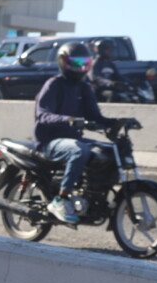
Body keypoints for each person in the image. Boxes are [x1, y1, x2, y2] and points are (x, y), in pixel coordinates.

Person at [34, 42, 119, 224]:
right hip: (49, 141)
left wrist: (118, 121)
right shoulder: (53, 85)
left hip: (72, 139)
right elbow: (43, 115)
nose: (79, 68)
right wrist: (68, 119)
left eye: (84, 64)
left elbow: (96, 117)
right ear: (63, 62)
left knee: (110, 152)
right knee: (79, 150)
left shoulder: (84, 87)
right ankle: (61, 199)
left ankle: (93, 196)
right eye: (75, 63)